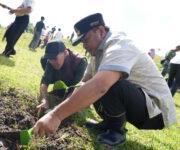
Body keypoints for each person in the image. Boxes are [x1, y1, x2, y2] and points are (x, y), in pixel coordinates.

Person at [33, 13, 177, 146]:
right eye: (82, 42)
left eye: (86, 39)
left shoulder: (120, 45)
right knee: (91, 84)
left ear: (101, 31)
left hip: (156, 112)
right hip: (141, 104)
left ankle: (117, 130)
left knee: (108, 82)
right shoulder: (97, 55)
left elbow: (100, 86)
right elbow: (83, 83)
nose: (84, 45)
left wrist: (56, 116)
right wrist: (60, 106)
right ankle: (109, 123)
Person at [37, 41, 87, 112]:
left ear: (65, 53)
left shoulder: (80, 62)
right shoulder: (51, 60)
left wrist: (61, 107)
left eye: (55, 58)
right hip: (60, 87)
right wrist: (44, 100)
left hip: (74, 89)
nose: (52, 62)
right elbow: (44, 82)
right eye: (50, 59)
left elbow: (76, 89)